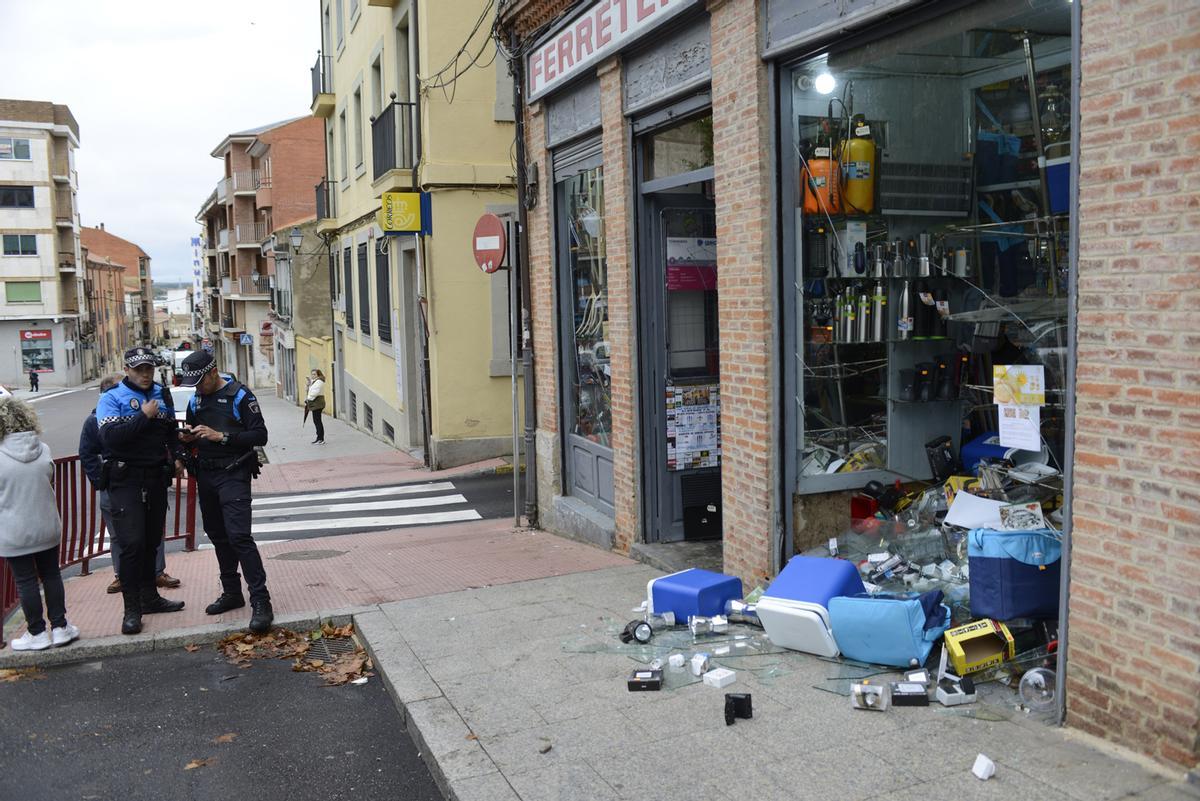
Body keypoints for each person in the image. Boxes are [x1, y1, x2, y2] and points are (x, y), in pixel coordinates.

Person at [177, 349, 273, 634]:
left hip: (234, 473)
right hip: (206, 474)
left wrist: (223, 437)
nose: (196, 388)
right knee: (218, 536)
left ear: (213, 372)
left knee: (239, 536)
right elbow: (195, 430)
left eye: (199, 381)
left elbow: (260, 435)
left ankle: (261, 601)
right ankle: (232, 591)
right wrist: (187, 438)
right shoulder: (196, 397)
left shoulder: (240, 396)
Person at [97, 346, 187, 635]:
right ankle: (132, 610)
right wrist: (143, 417)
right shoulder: (111, 398)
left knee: (151, 541)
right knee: (132, 544)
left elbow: (170, 431)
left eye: (149, 368)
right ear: (127, 370)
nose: (145, 374)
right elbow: (111, 439)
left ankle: (151, 599)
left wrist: (178, 456)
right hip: (126, 480)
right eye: (138, 369)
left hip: (155, 478)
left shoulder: (162, 393)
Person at [80, 374, 181, 594]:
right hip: (117, 483)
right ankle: (124, 580)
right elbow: (89, 452)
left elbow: (168, 432)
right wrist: (101, 482)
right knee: (124, 538)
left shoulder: (155, 401)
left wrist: (175, 458)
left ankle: (155, 576)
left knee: (151, 534)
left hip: (148, 480)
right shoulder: (96, 419)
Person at [0, 397, 79, 650]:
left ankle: (37, 633)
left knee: (26, 582)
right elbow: (51, 479)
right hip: (46, 525)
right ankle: (60, 627)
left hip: (14, 531)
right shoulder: (42, 448)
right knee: (52, 575)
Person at [304, 369, 327, 445]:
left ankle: (320, 439)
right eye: (312, 374)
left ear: (318, 374)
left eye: (314, 374)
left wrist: (308, 398)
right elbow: (309, 390)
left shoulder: (319, 382)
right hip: (315, 403)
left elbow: (315, 392)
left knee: (317, 421)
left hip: (317, 403)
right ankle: (319, 438)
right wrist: (308, 383)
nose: (313, 376)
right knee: (317, 421)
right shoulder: (315, 381)